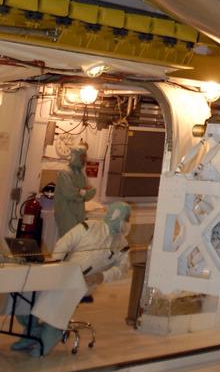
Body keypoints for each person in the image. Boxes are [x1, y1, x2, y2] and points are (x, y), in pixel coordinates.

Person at [10, 202, 132, 356]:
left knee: (60, 296)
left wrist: (101, 276)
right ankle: (31, 332)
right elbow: (64, 243)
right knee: (27, 292)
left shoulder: (122, 245)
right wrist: (57, 265)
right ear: (116, 215)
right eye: (126, 218)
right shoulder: (90, 226)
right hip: (63, 272)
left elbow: (122, 269)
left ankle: (47, 339)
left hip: (86, 283)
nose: (128, 223)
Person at [54, 147, 95, 239]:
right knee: (67, 242)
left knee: (77, 242)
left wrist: (84, 193)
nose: (84, 160)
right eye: (82, 157)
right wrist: (83, 192)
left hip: (79, 213)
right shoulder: (64, 172)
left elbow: (88, 192)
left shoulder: (81, 174)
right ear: (75, 156)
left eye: (85, 157)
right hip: (66, 213)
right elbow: (69, 192)